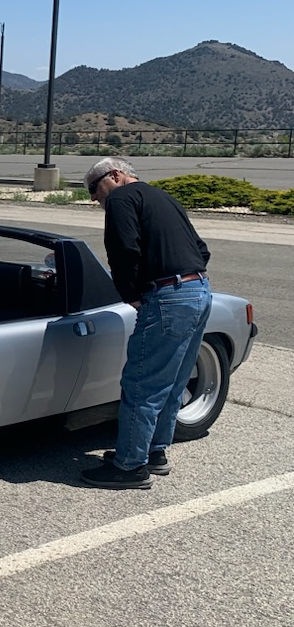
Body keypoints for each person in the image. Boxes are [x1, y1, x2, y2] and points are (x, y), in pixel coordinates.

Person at [80, 156, 212, 489]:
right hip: (199, 289)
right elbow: (201, 249)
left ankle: (130, 467)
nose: (95, 199)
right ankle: (154, 452)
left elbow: (123, 249)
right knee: (172, 380)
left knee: (142, 383)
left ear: (115, 175)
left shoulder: (122, 198)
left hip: (167, 294)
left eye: (94, 189)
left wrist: (131, 294)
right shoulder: (164, 197)